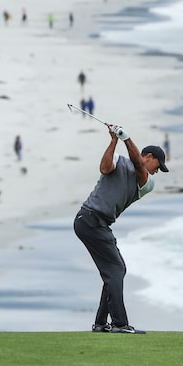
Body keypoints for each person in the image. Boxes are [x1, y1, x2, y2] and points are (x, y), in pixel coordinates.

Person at [73, 124, 168, 334]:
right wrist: (114, 141)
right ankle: (119, 323)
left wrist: (127, 138)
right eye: (158, 166)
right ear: (149, 156)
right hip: (89, 219)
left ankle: (101, 323)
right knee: (115, 269)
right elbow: (105, 168)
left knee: (116, 269)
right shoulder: (119, 161)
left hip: (96, 223)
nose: (157, 171)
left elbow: (139, 166)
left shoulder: (147, 183)